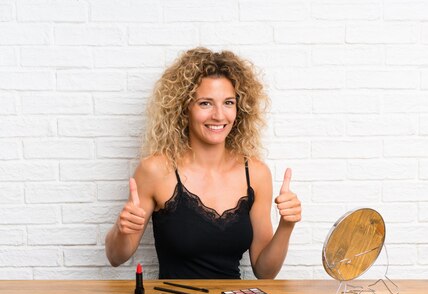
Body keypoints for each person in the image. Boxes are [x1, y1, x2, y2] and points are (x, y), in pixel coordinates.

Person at [105, 47, 301, 279]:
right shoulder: (156, 170)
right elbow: (116, 257)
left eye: (228, 102)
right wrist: (122, 230)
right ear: (184, 107)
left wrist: (287, 225)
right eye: (205, 103)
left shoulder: (256, 173)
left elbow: (264, 271)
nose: (219, 115)